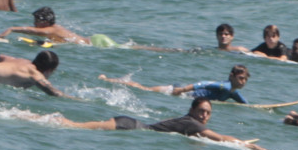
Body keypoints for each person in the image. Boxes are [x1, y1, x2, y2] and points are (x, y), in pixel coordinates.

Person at [38, 99, 278, 150]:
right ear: (193, 111)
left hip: (130, 124)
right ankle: (46, 120)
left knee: (75, 126)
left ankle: (49, 120)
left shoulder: (191, 124)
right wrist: (249, 147)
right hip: (129, 127)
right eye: (201, 111)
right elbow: (219, 137)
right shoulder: (191, 122)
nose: (205, 115)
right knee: (73, 126)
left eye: (208, 113)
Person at [100, 64, 251, 102]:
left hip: (186, 94)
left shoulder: (234, 92)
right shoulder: (225, 86)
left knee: (146, 88)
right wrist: (182, 90)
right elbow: (203, 83)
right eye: (240, 78)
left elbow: (244, 103)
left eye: (245, 79)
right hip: (183, 92)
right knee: (145, 88)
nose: (243, 82)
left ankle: (121, 80)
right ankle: (110, 80)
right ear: (232, 76)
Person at [0, 7, 89, 46]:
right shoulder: (56, 27)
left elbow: (32, 30)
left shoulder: (50, 30)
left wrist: (11, 29)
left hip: (87, 44)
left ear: (45, 22)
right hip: (89, 40)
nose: (34, 24)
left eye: (37, 21)